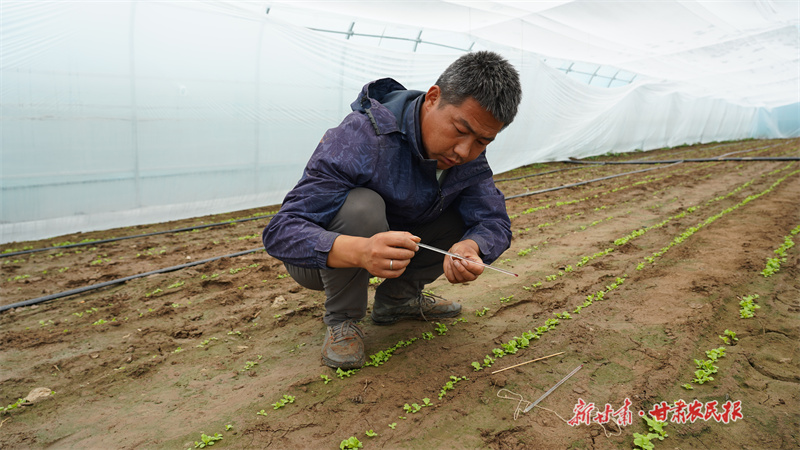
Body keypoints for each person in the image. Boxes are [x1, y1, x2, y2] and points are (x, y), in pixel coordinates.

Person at [262, 50, 522, 369]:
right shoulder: (362, 136)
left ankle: (397, 300)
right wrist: (360, 250)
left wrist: (473, 247)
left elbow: (494, 221)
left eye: (482, 141)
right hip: (321, 262)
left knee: (462, 219)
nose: (464, 150)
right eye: (459, 130)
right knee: (362, 207)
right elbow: (281, 231)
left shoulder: (467, 158)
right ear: (433, 98)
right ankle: (342, 319)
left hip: (396, 249)